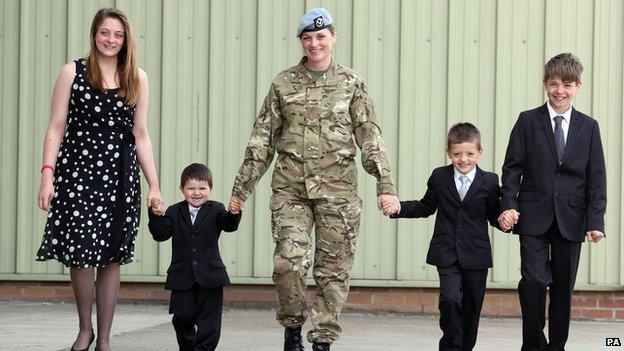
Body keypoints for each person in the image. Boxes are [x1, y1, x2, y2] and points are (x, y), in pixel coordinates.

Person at [228, 7, 399, 351]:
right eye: (307, 38)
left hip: (339, 192)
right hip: (291, 189)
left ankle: (322, 340)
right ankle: (292, 327)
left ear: (333, 37)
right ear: (301, 42)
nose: (314, 43)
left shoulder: (352, 83)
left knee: (332, 272)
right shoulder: (282, 83)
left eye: (321, 36)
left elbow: (370, 136)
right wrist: (241, 190)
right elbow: (262, 139)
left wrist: (385, 185)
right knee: (288, 263)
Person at [35, 8, 162, 351]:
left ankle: (104, 339)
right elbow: (55, 127)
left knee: (110, 256)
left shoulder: (137, 78)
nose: (111, 40)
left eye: (117, 35)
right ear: (94, 34)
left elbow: (141, 135)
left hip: (119, 178)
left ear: (125, 39)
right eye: (105, 33)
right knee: (80, 254)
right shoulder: (72, 72)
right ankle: (84, 329)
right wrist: (47, 176)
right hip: (77, 173)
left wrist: (154, 185)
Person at [498, 52, 606, 351]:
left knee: (562, 290)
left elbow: (596, 178)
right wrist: (508, 203)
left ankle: (556, 346)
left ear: (578, 87)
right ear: (546, 84)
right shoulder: (528, 121)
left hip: (571, 219)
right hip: (532, 215)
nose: (560, 91)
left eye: (567, 85)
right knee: (533, 280)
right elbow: (512, 168)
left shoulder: (589, 126)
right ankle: (533, 345)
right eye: (554, 83)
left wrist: (596, 222)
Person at [388, 123, 502, 351]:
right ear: (448, 153)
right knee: (450, 300)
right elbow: (425, 206)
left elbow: (494, 215)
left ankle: (464, 347)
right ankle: (450, 346)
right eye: (457, 154)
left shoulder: (490, 181)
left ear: (480, 152)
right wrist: (398, 207)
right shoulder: (440, 177)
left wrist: (507, 220)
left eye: (470, 153)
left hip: (476, 256)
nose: (463, 159)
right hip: (446, 252)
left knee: (471, 309)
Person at [148, 163, 241, 351]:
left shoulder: (216, 209)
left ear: (210, 189)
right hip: (182, 277)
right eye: (191, 188)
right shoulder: (174, 211)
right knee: (181, 317)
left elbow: (228, 225)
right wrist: (156, 215)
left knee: (210, 322)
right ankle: (188, 347)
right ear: (182, 189)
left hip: (211, 277)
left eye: (202, 188)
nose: (197, 193)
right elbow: (160, 234)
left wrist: (234, 213)